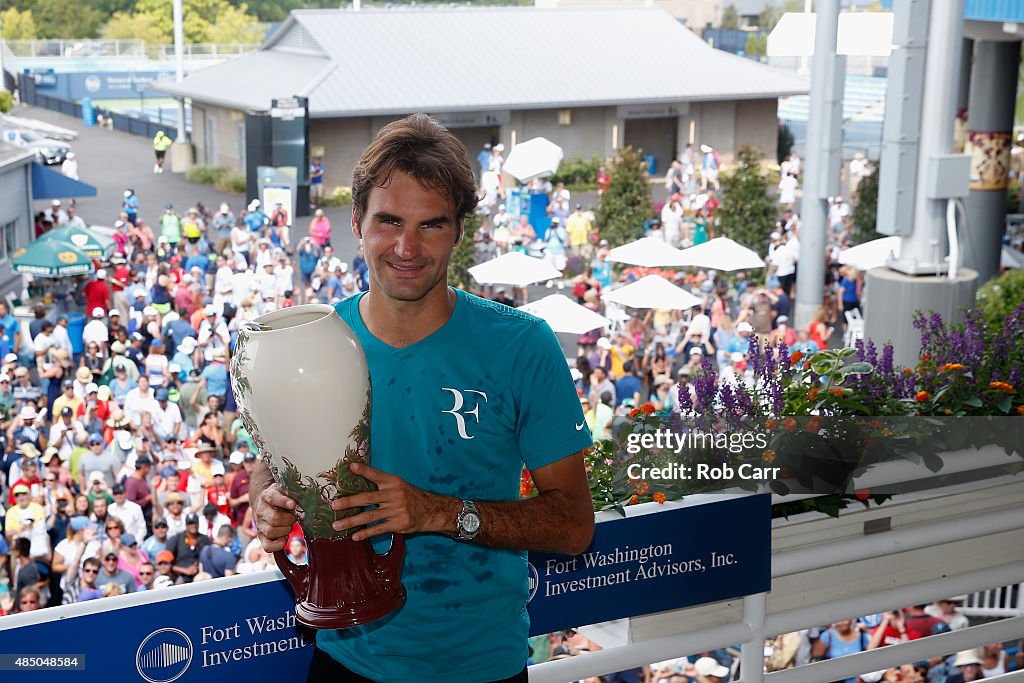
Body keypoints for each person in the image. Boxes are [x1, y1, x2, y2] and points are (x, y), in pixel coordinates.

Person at [250, 114, 594, 683]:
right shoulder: (310, 340)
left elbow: (573, 525)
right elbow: (272, 466)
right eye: (388, 222)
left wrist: (436, 512)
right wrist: (267, 503)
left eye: (431, 225)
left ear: (459, 231)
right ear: (356, 222)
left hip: (479, 666)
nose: (406, 247)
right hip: (343, 659)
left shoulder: (521, 346)